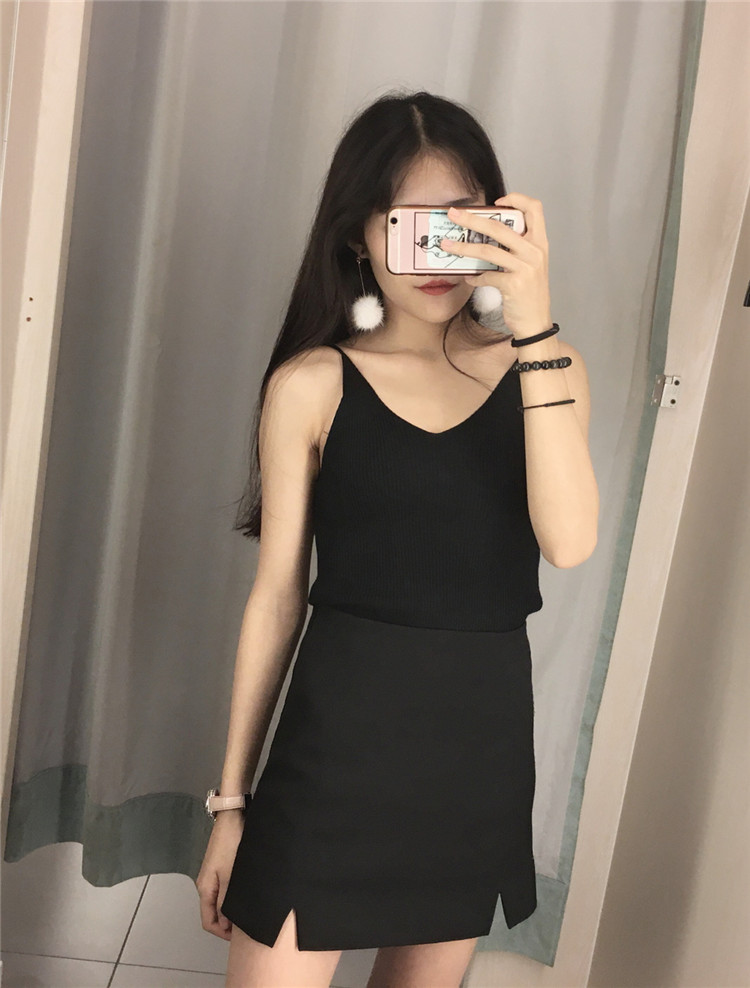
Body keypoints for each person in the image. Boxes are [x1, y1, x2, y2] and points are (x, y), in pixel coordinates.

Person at [196, 89, 599, 988]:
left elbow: (570, 542)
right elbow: (277, 596)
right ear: (358, 236)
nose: (438, 251)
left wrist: (533, 324)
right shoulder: (313, 382)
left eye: (462, 220)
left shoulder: (549, 369)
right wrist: (231, 804)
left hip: (475, 764)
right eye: (409, 223)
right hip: (334, 758)